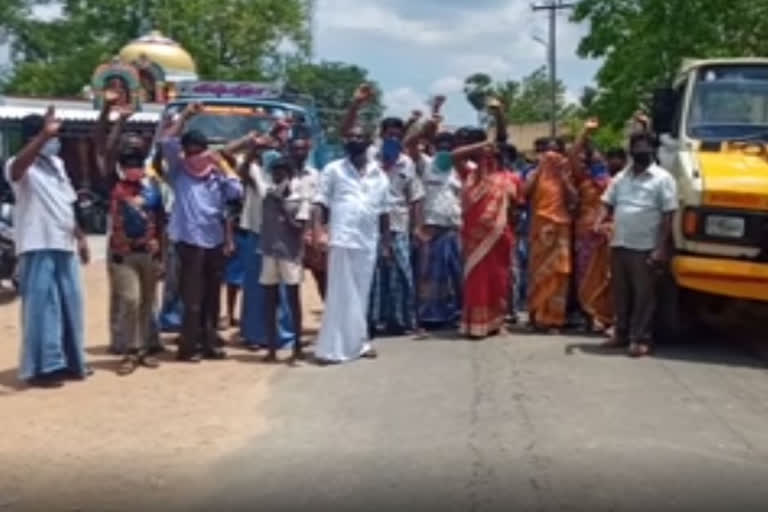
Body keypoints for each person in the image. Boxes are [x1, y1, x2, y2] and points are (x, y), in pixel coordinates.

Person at [5, 108, 91, 386]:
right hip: (37, 243)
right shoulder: (17, 164)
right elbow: (18, 169)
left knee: (71, 305)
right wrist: (43, 136)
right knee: (44, 308)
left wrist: (80, 237)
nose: (56, 138)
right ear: (34, 136)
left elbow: (65, 203)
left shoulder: (57, 165)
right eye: (49, 133)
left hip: (63, 242)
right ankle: (44, 367)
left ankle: (70, 361)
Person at [160, 103, 243, 362]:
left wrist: (223, 167)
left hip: (214, 241)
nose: (195, 156)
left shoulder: (216, 175)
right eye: (190, 151)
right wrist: (185, 116)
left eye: (200, 150)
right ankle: (189, 347)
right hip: (189, 241)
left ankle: (210, 343)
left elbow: (236, 193)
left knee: (211, 295)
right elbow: (166, 140)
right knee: (192, 297)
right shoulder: (179, 171)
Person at [313, 88, 391, 364]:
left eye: (360, 137)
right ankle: (332, 348)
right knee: (339, 293)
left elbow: (383, 211)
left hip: (368, 241)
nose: (355, 140)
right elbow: (320, 203)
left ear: (368, 142)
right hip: (342, 238)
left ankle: (359, 343)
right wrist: (319, 232)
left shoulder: (378, 174)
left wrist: (386, 242)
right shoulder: (333, 169)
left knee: (361, 293)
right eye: (351, 137)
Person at [596, 132, 677, 357]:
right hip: (619, 243)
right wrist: (599, 220)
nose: (640, 150)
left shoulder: (663, 179)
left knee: (644, 296)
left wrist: (662, 248)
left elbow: (669, 215)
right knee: (620, 294)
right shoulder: (621, 177)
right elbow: (606, 202)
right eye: (636, 146)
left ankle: (640, 339)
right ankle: (620, 334)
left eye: (644, 146)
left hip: (646, 247)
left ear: (652, 150)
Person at [455, 101, 520, 339]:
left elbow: (515, 209)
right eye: (485, 153)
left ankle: (497, 322)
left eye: (493, 152)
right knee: (476, 280)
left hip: (500, 237)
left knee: (499, 279)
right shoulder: (470, 175)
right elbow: (454, 155)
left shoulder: (508, 178)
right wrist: (482, 143)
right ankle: (474, 324)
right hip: (474, 239)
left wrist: (500, 114)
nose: (489, 155)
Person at [237, 128, 295, 351]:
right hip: (257, 235)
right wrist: (253, 149)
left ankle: (283, 333)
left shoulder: (285, 175)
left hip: (280, 236)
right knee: (256, 287)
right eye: (265, 149)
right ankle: (254, 334)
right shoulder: (253, 171)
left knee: (282, 286)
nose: (269, 153)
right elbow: (241, 169)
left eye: (273, 149)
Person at [368, 116, 424, 336]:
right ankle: (372, 321)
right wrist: (383, 165)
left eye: (397, 135)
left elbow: (416, 196)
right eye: (389, 134)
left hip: (398, 224)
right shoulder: (370, 158)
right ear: (381, 135)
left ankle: (401, 320)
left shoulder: (407, 162)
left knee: (401, 273)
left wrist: (418, 227)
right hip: (371, 224)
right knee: (374, 274)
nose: (393, 138)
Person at [259, 157, 311, 363]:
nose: (278, 176)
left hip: (290, 254)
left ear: (289, 176)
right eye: (275, 172)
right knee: (270, 301)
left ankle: (297, 345)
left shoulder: (299, 199)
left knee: (293, 300)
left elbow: (299, 228)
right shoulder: (268, 195)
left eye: (282, 172)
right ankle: (271, 347)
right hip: (269, 251)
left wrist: (283, 207)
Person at [525, 138, 577, 333]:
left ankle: (554, 319)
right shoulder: (536, 174)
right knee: (538, 273)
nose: (550, 156)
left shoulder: (567, 174)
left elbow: (574, 199)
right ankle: (536, 315)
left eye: (555, 152)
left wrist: (564, 179)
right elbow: (524, 193)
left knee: (558, 274)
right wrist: (538, 170)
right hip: (540, 228)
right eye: (547, 152)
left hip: (560, 226)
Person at [571, 119, 613, 334]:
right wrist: (584, 133)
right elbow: (573, 155)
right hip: (585, 234)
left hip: (606, 234)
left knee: (606, 278)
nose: (598, 160)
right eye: (593, 157)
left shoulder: (613, 182)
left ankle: (605, 318)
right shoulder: (583, 180)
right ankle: (589, 317)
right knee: (585, 276)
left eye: (600, 157)